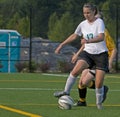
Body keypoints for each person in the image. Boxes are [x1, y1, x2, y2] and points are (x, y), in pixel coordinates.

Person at [54, 3, 108, 109]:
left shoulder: (99, 22)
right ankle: (66, 92)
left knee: (98, 83)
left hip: (101, 55)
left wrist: (88, 41)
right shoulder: (83, 24)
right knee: (75, 71)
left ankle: (99, 104)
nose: (86, 15)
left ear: (94, 12)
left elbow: (101, 37)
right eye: (84, 13)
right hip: (88, 53)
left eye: (88, 12)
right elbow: (75, 35)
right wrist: (62, 44)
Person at [71, 12, 117, 107]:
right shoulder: (90, 31)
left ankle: (101, 90)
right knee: (82, 82)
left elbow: (113, 49)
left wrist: (110, 62)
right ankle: (82, 101)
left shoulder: (104, 33)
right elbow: (85, 44)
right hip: (89, 57)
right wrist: (77, 54)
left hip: (100, 60)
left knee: (87, 82)